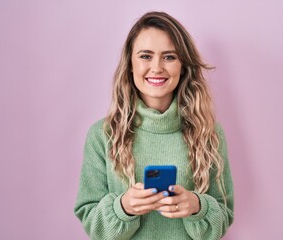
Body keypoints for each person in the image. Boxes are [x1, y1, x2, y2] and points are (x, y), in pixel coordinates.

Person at [74, 11, 234, 240]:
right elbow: (92, 223)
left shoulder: (209, 133)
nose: (157, 67)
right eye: (145, 56)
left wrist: (198, 206)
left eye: (169, 57)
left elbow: (223, 217)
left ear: (183, 66)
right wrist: (124, 207)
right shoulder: (103, 135)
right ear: (130, 63)